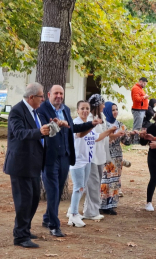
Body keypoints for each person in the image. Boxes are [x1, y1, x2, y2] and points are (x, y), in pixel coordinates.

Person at [37, 85, 98, 237]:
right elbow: (45, 130)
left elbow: (72, 128)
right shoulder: (42, 110)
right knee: (53, 190)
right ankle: (54, 225)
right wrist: (59, 124)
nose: (59, 96)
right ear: (49, 94)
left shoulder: (64, 109)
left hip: (64, 156)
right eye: (56, 93)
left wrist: (91, 124)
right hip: (49, 158)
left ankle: (47, 218)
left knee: (57, 191)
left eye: (61, 93)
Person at [4, 83, 50, 248]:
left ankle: (24, 228)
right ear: (31, 97)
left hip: (34, 163)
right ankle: (20, 237)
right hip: (20, 164)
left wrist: (53, 126)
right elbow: (19, 133)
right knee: (24, 201)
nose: (43, 99)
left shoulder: (36, 112)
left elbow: (41, 128)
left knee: (33, 199)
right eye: (41, 96)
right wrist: (40, 132)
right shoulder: (17, 111)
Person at [67, 100, 115, 227]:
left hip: (88, 160)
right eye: (82, 108)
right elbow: (80, 134)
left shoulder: (88, 124)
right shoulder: (76, 123)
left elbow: (96, 137)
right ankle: (73, 215)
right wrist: (91, 126)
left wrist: (110, 131)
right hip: (77, 161)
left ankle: (72, 211)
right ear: (77, 110)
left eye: (87, 108)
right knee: (79, 188)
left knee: (82, 188)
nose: (85, 111)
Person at [100, 102, 135, 215]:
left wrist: (133, 135)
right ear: (107, 111)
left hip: (117, 157)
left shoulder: (121, 125)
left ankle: (111, 205)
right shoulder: (102, 125)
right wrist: (113, 135)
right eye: (112, 110)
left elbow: (126, 142)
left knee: (115, 181)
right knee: (105, 180)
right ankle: (102, 204)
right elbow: (101, 140)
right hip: (105, 155)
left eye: (116, 109)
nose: (115, 112)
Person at [83, 94, 110, 220]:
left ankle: (89, 208)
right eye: (102, 104)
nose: (104, 106)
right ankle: (91, 212)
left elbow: (104, 138)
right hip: (91, 155)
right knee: (92, 183)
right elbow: (96, 137)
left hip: (100, 154)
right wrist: (109, 132)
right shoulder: (89, 118)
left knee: (96, 182)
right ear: (97, 105)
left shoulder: (102, 117)